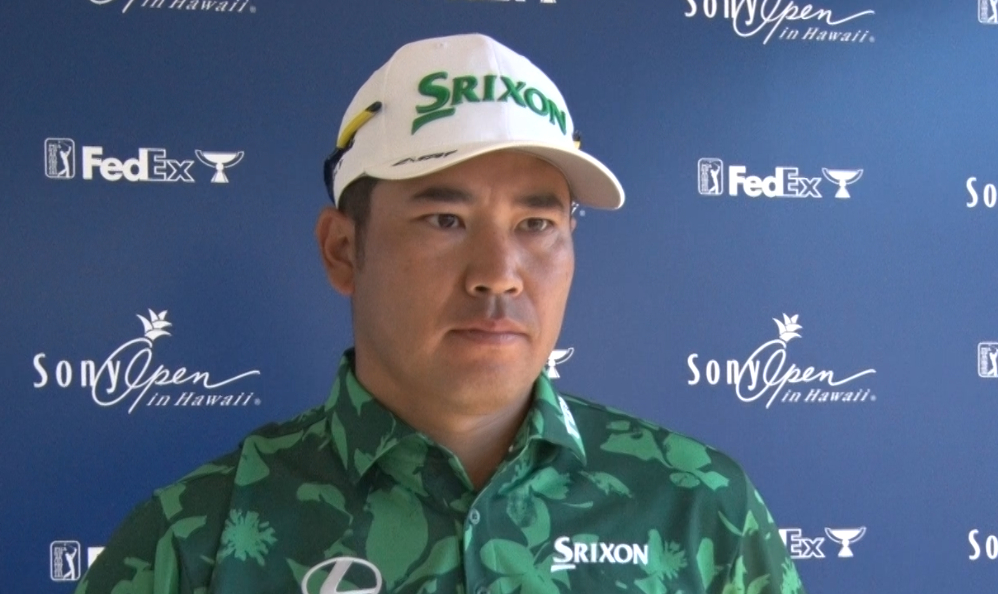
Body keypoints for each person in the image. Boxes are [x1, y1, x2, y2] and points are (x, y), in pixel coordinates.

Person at [77, 33, 807, 594]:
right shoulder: (196, 540)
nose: (499, 274)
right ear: (342, 250)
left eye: (536, 224)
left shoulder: (700, 507)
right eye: (445, 220)